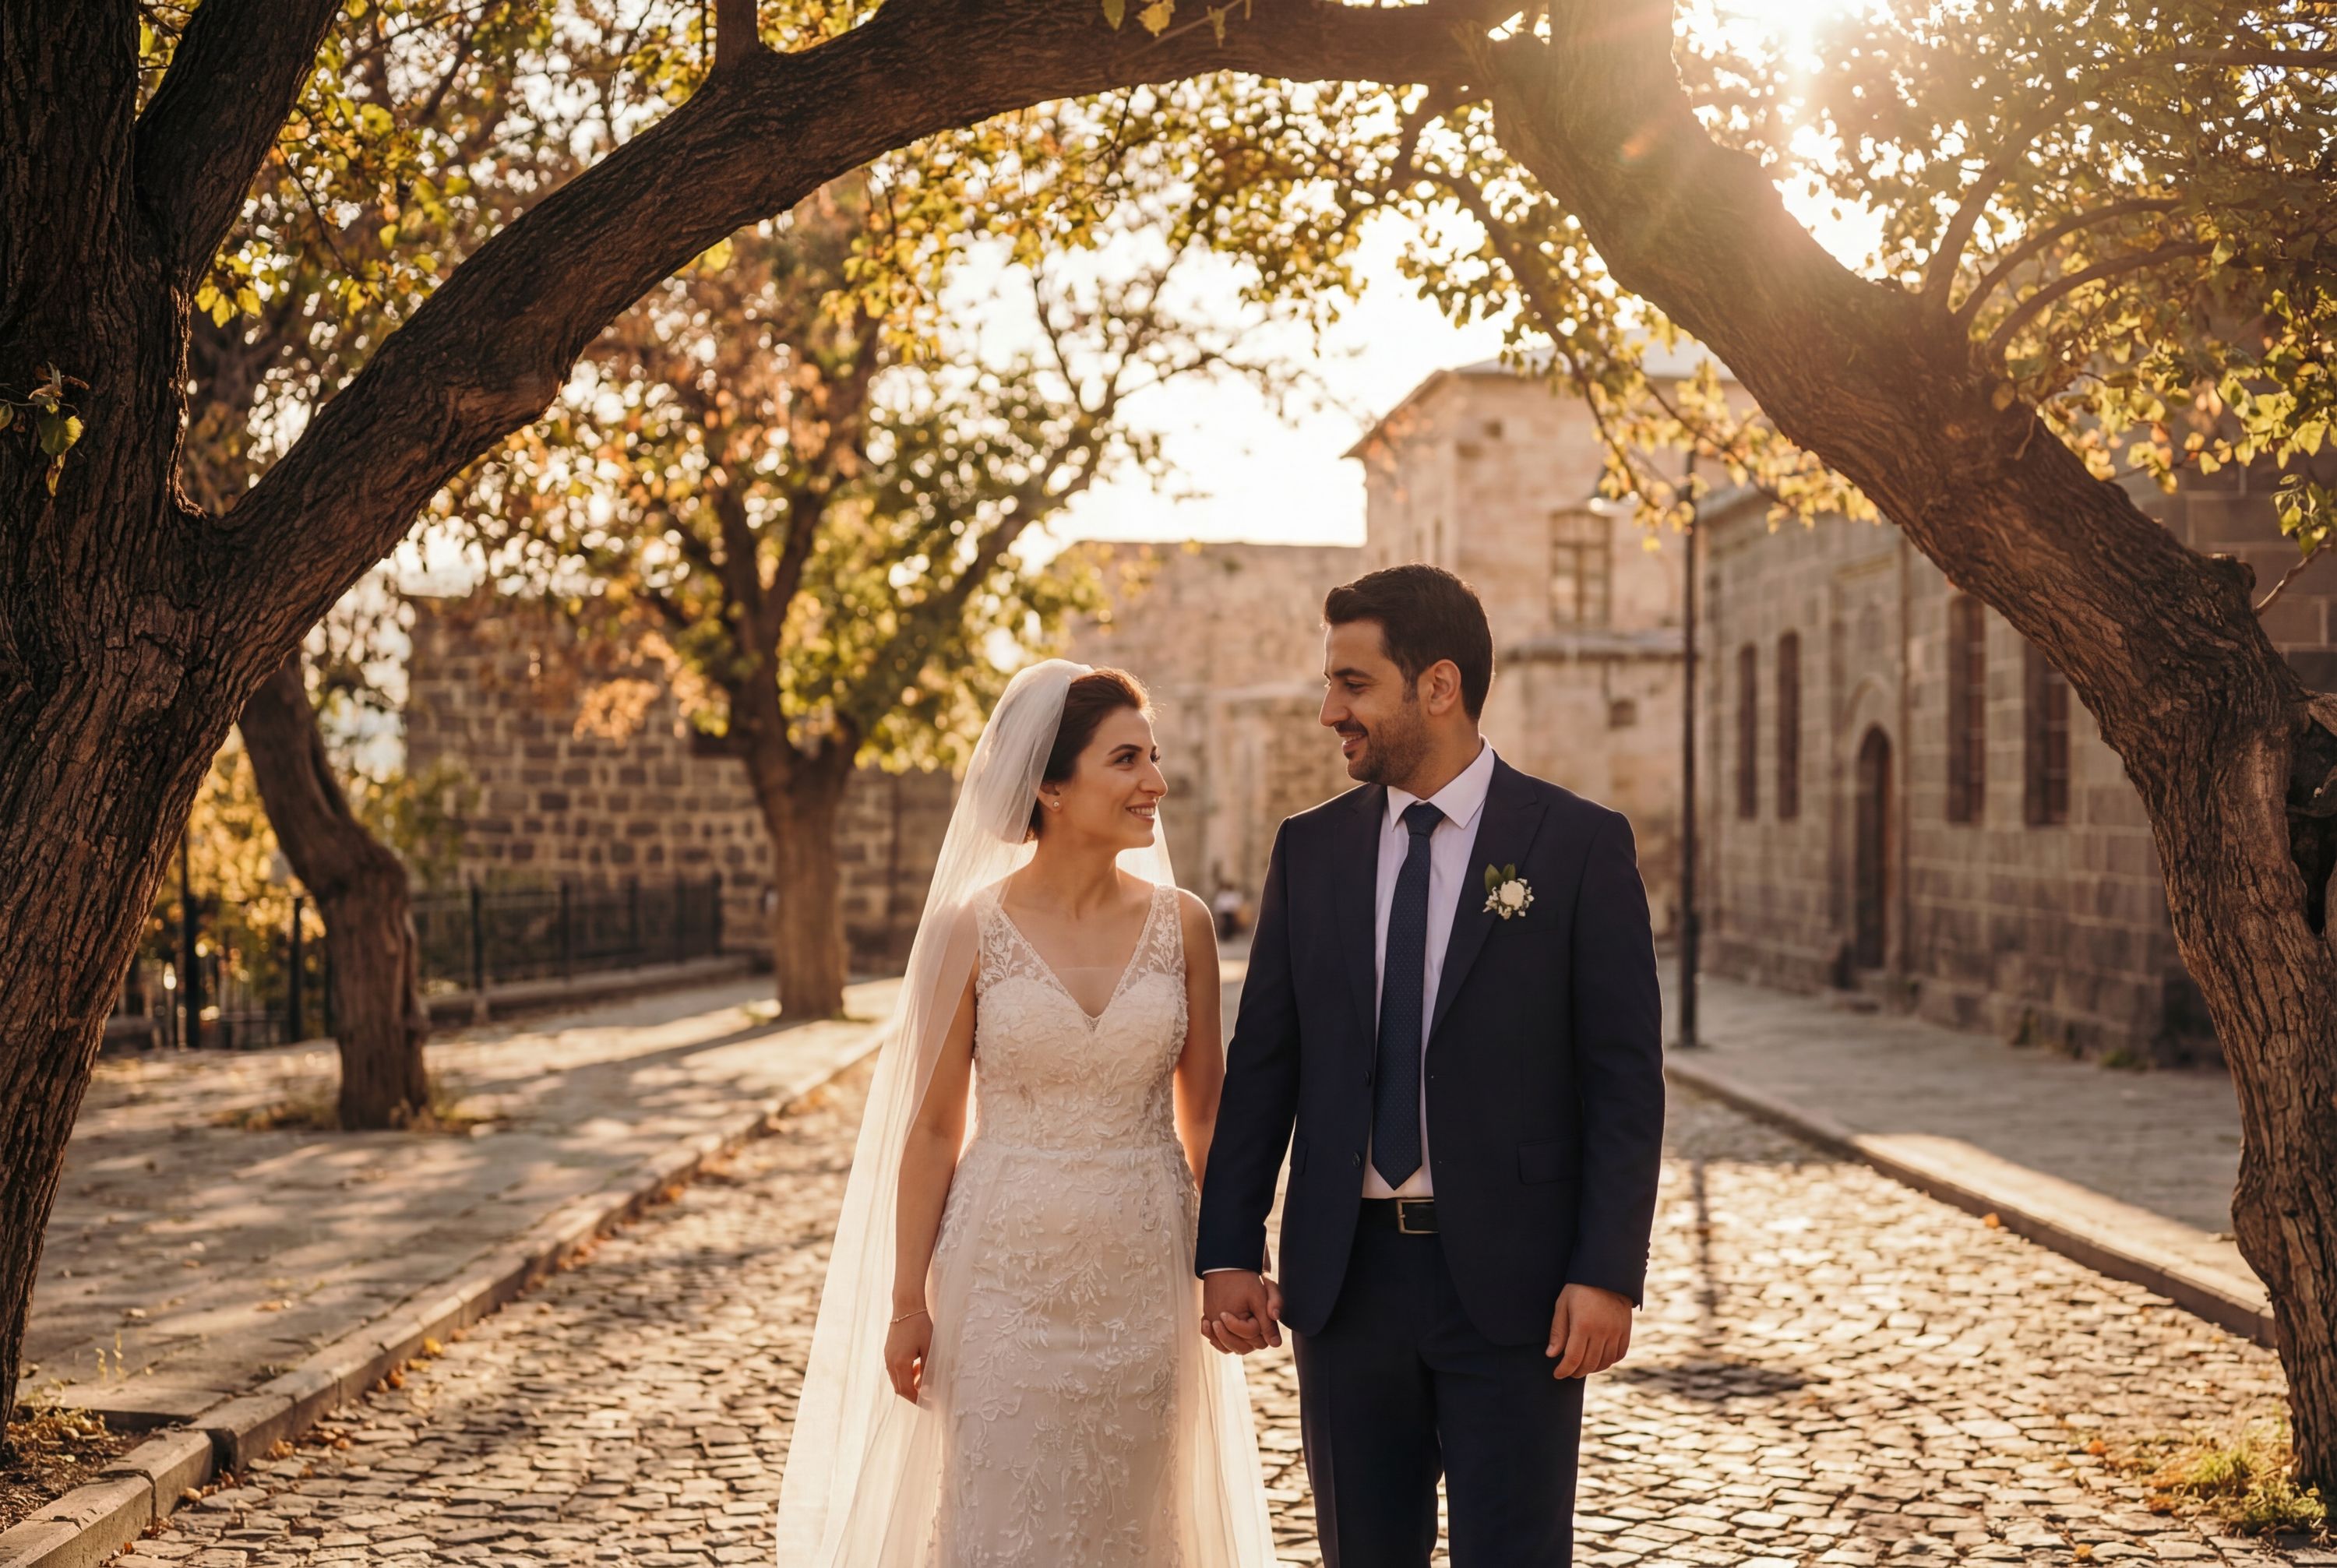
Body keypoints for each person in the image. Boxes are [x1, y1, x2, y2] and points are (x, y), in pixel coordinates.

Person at [1195, 564, 1666, 1567]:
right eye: (1332, 685)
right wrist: (1229, 1244)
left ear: (1438, 686)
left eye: (1354, 684)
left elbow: (1624, 1081)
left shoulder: (1578, 846)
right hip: (1344, 1283)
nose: (1331, 712)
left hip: (1520, 1289)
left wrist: (1606, 1271)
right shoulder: (1310, 850)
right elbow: (1267, 1060)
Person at [775, 661, 1273, 1568]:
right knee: (1003, 1516)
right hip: (1001, 1281)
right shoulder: (970, 929)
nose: (1154, 782)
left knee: (1135, 1516)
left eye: (1154, 758)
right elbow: (930, 1131)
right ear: (1048, 783)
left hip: (1144, 1277)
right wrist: (903, 1303)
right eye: (1126, 760)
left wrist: (1236, 1260)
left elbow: (1208, 1119)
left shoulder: (1186, 924)